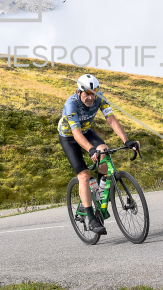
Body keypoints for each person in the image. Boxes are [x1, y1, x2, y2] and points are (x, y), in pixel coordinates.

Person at [58, 73, 140, 234]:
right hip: (69, 137)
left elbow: (111, 119)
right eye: (87, 94)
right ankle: (91, 219)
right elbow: (76, 133)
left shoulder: (100, 98)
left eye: (93, 94)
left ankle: (100, 191)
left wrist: (126, 141)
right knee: (84, 176)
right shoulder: (71, 104)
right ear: (78, 92)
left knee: (104, 150)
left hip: (86, 132)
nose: (91, 98)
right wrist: (90, 149)